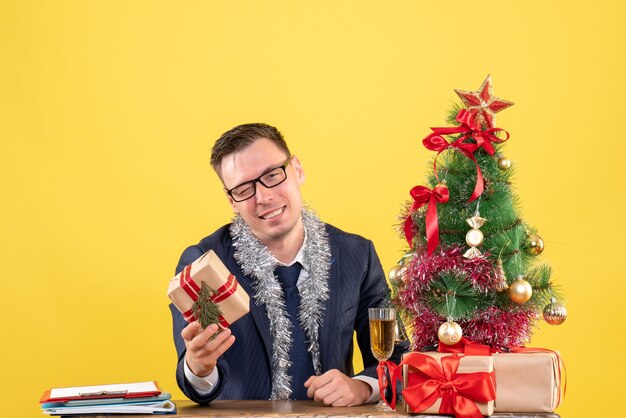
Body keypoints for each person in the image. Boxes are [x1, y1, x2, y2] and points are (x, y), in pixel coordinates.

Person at [170, 123, 405, 406]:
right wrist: (199, 368)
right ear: (231, 200)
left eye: (272, 175)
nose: (264, 197)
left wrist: (363, 388)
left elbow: (397, 360)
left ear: (297, 169)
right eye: (244, 189)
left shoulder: (357, 254)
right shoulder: (203, 263)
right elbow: (196, 384)